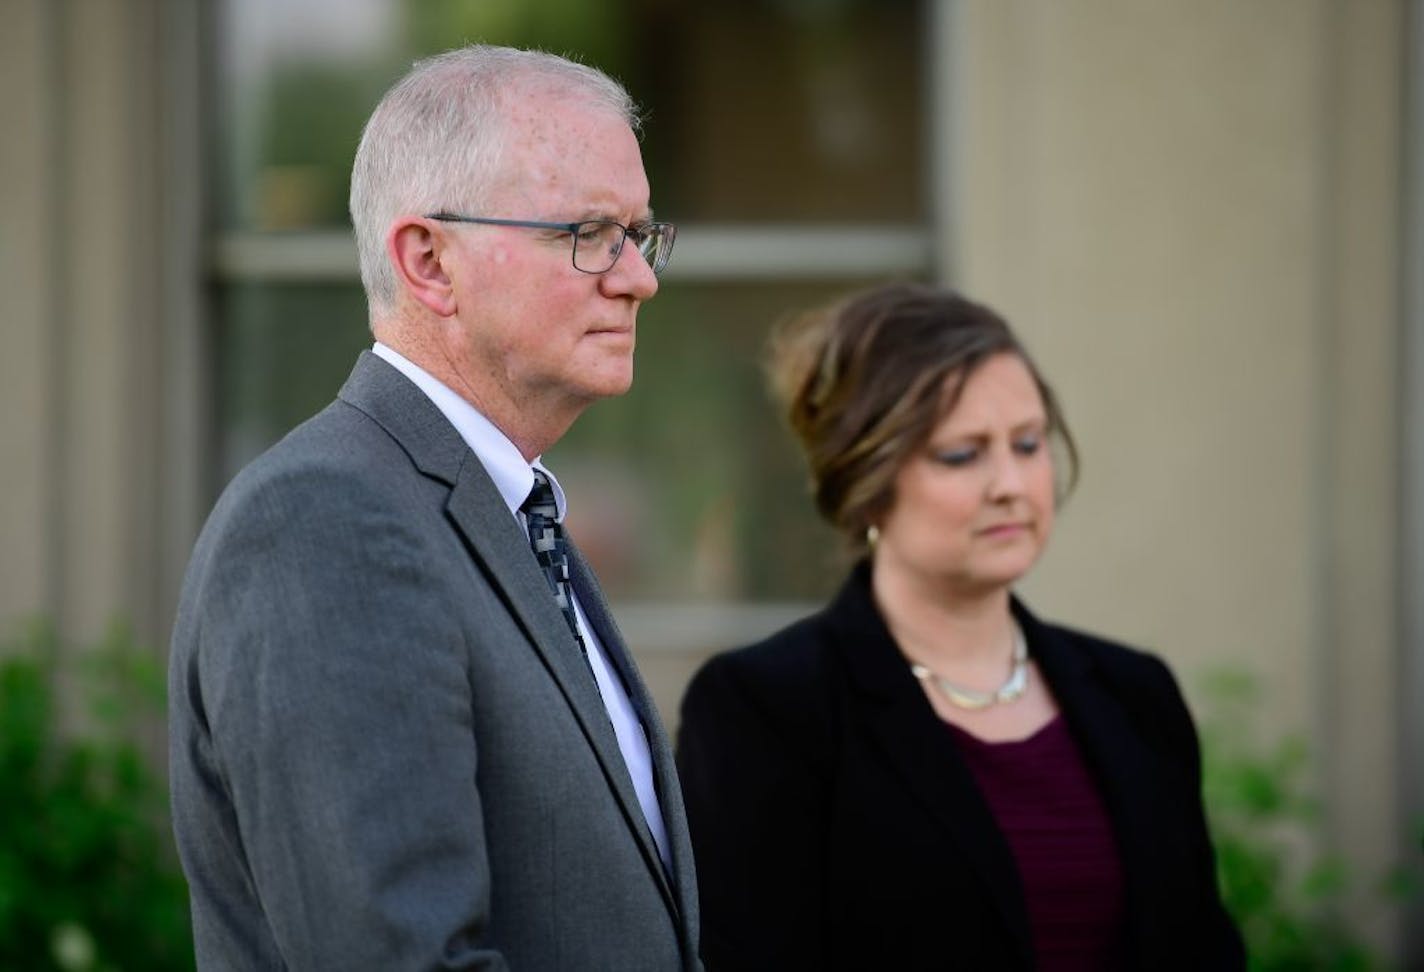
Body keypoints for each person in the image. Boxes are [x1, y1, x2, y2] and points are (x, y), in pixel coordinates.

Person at [168, 45, 700, 970]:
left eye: (639, 235)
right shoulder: (324, 521)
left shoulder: (509, 515)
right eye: (587, 233)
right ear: (428, 262)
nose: (637, 278)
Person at [676, 282, 1245, 970]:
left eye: (1028, 444)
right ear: (867, 479)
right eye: (962, 454)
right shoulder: (766, 710)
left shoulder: (1136, 695)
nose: (1010, 483)